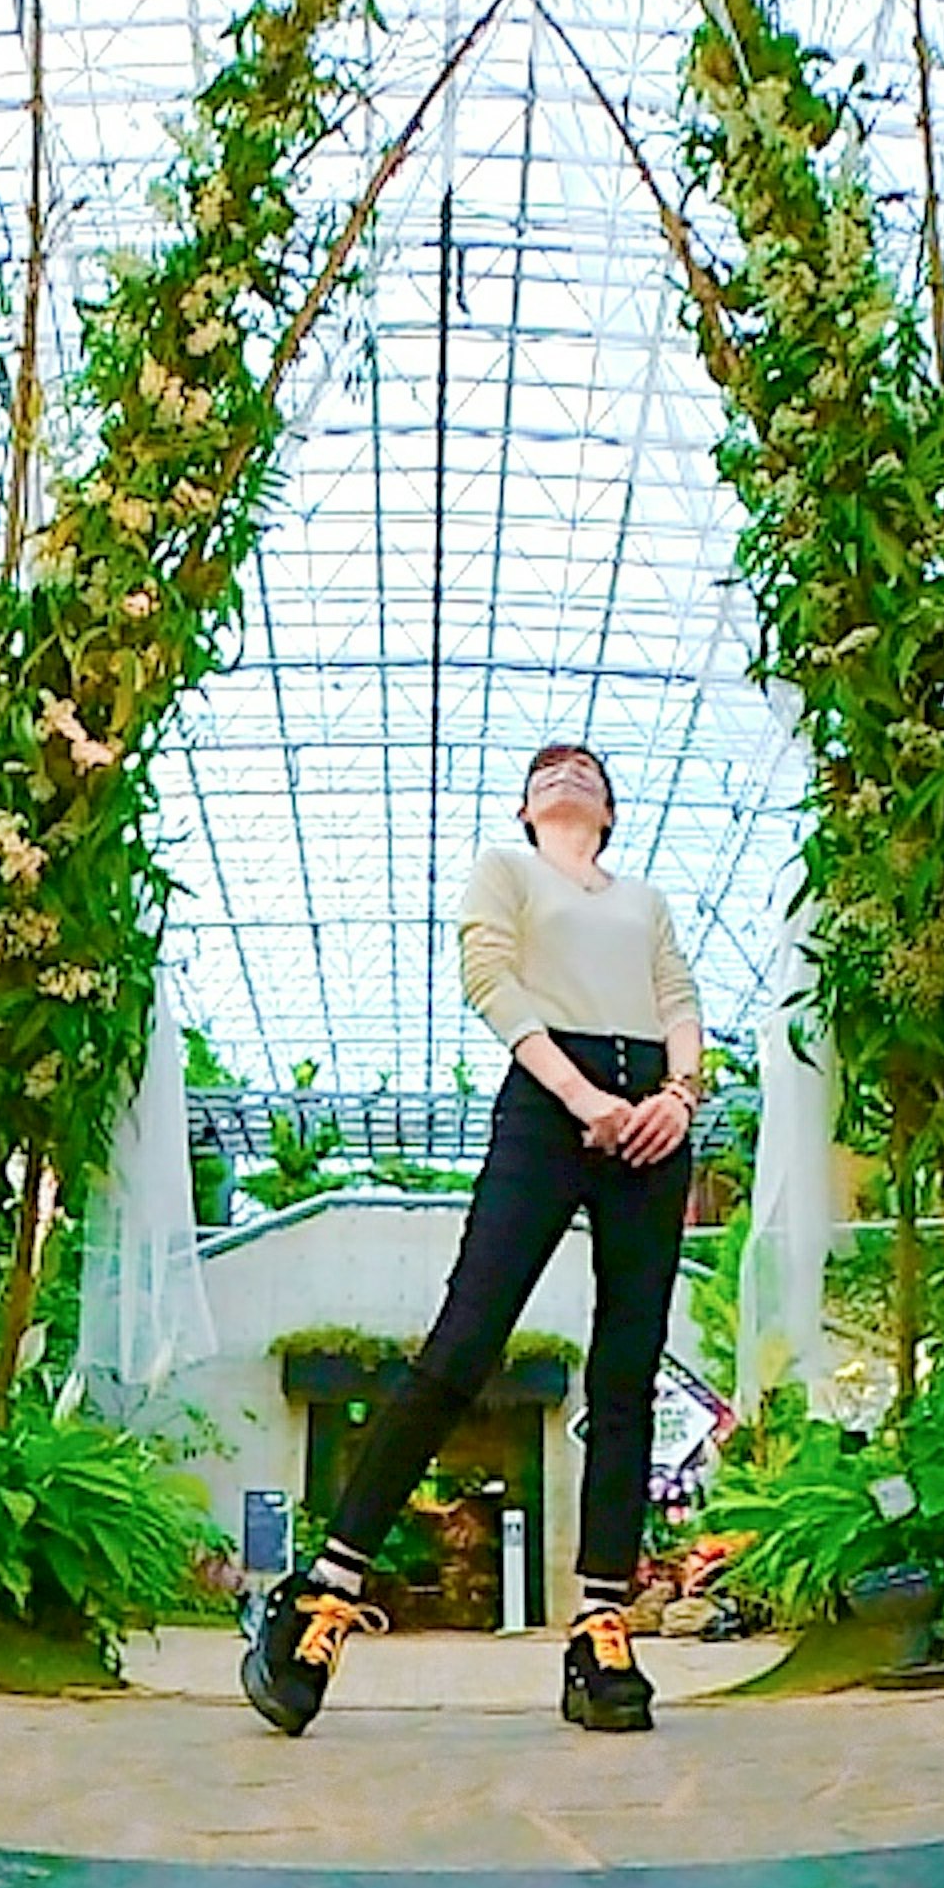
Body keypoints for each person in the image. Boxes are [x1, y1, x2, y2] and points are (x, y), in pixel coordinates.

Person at [243, 738, 704, 1741]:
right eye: (548, 772)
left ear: (612, 810)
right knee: (464, 1343)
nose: (568, 772)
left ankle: (600, 1625)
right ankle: (321, 1593)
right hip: (550, 1101)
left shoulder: (646, 899)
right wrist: (585, 1098)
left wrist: (676, 1093)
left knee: (627, 1372)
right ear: (530, 809)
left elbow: (679, 998)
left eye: (586, 767)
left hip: (654, 1122)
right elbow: (490, 979)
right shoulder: (509, 872)